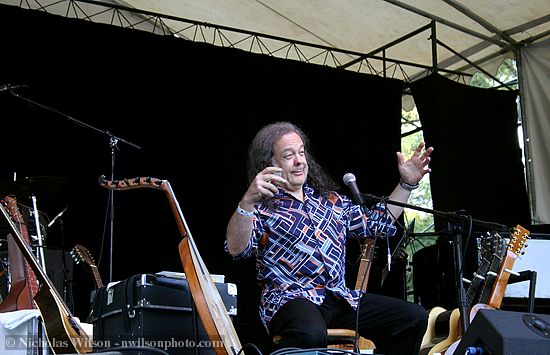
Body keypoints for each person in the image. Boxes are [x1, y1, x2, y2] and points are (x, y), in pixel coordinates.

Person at [225, 121, 432, 355]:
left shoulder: (330, 201)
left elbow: (377, 224)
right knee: (310, 333)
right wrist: (247, 202)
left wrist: (407, 184)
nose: (299, 161)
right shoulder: (261, 207)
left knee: (412, 318)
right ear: (270, 164)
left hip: (338, 297)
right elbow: (236, 249)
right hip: (290, 298)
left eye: (301, 153)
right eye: (288, 155)